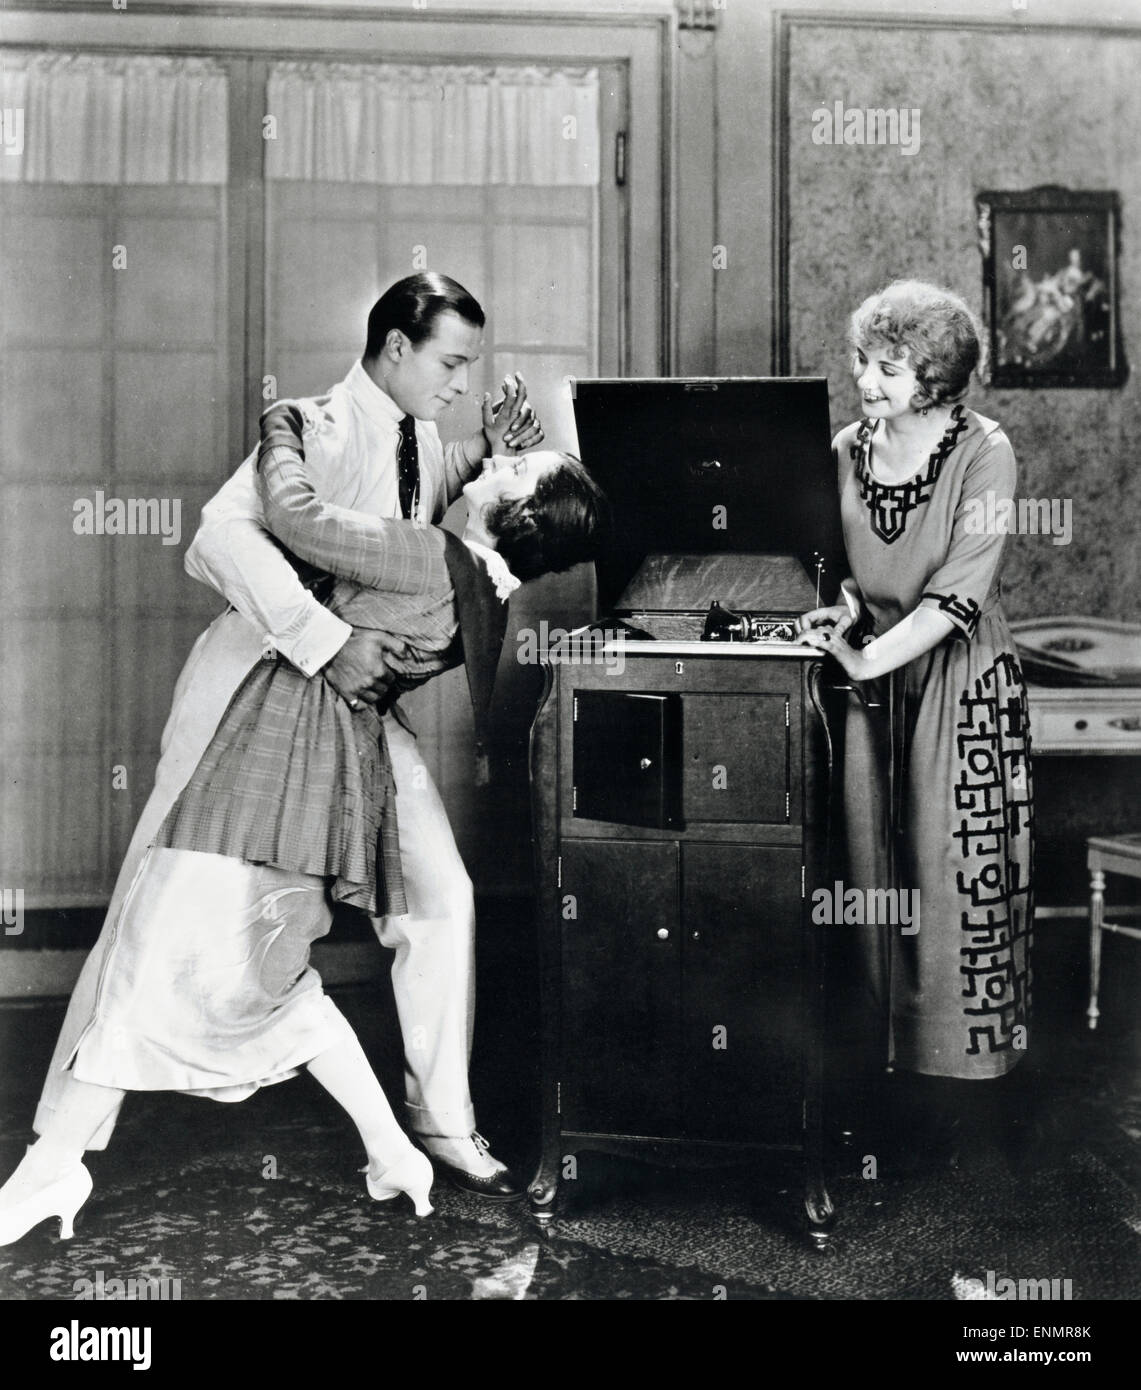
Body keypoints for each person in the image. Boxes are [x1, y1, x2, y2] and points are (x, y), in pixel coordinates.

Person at [23, 273, 549, 1220]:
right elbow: (224, 534)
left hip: (353, 712)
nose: (466, 381)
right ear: (395, 347)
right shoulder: (311, 422)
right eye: (452, 362)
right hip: (254, 696)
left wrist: (487, 461)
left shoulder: (424, 440)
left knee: (440, 896)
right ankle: (60, 1144)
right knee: (155, 907)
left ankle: (439, 1121)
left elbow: (423, 526)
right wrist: (326, 640)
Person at [796, 279, 1034, 1168]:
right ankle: (879, 1085)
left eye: (889, 370)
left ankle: (963, 1104)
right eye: (862, 361)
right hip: (873, 682)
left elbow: (957, 595)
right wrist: (844, 616)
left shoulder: (984, 453)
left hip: (960, 684)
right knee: (867, 870)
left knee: (948, 884)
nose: (866, 381)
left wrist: (867, 656)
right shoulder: (843, 448)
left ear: (935, 381)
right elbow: (847, 566)